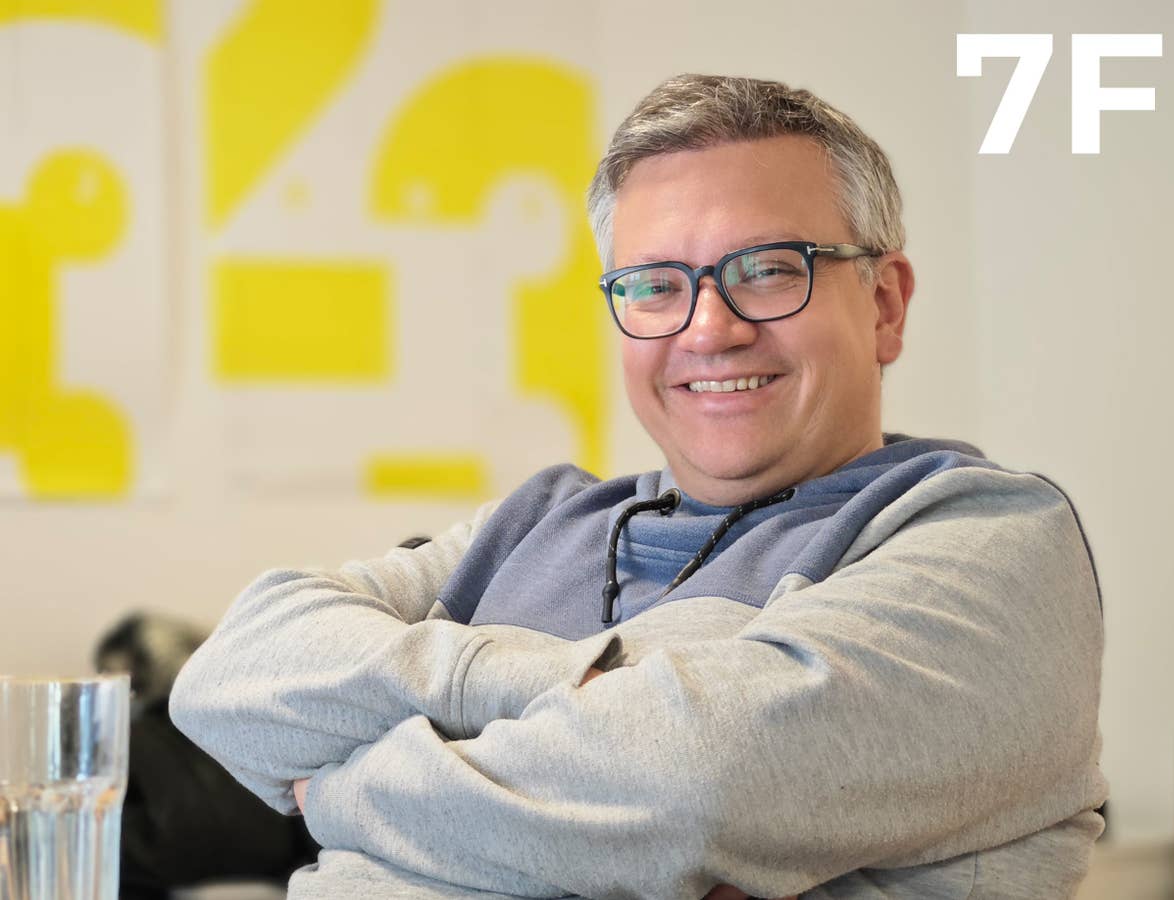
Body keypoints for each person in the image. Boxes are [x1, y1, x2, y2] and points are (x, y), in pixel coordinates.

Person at [170, 74, 1107, 899]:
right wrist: (558, 684)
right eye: (656, 285)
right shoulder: (541, 519)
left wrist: (341, 794)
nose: (709, 328)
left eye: (768, 271)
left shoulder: (988, 538)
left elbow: (696, 780)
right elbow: (231, 678)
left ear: (885, 304)